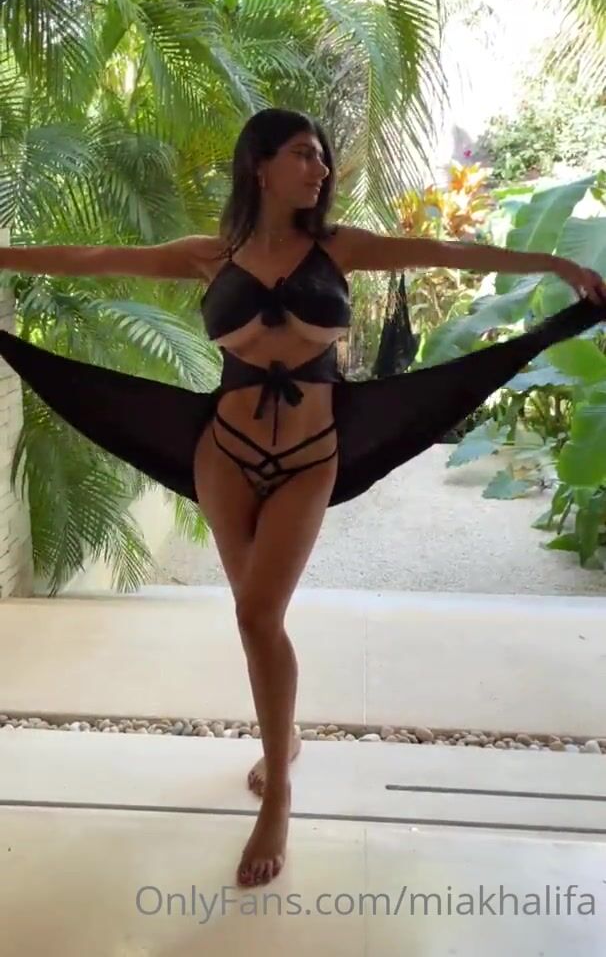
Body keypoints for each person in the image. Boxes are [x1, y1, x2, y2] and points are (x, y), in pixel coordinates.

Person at [0, 107, 605, 889]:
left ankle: (279, 791)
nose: (320, 169)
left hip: (310, 458)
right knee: (256, 620)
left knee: (258, 615)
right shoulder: (209, 255)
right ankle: (281, 740)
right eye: (303, 154)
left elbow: (444, 250)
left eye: (321, 157)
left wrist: (550, 263)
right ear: (260, 165)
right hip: (224, 453)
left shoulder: (340, 247)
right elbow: (92, 257)